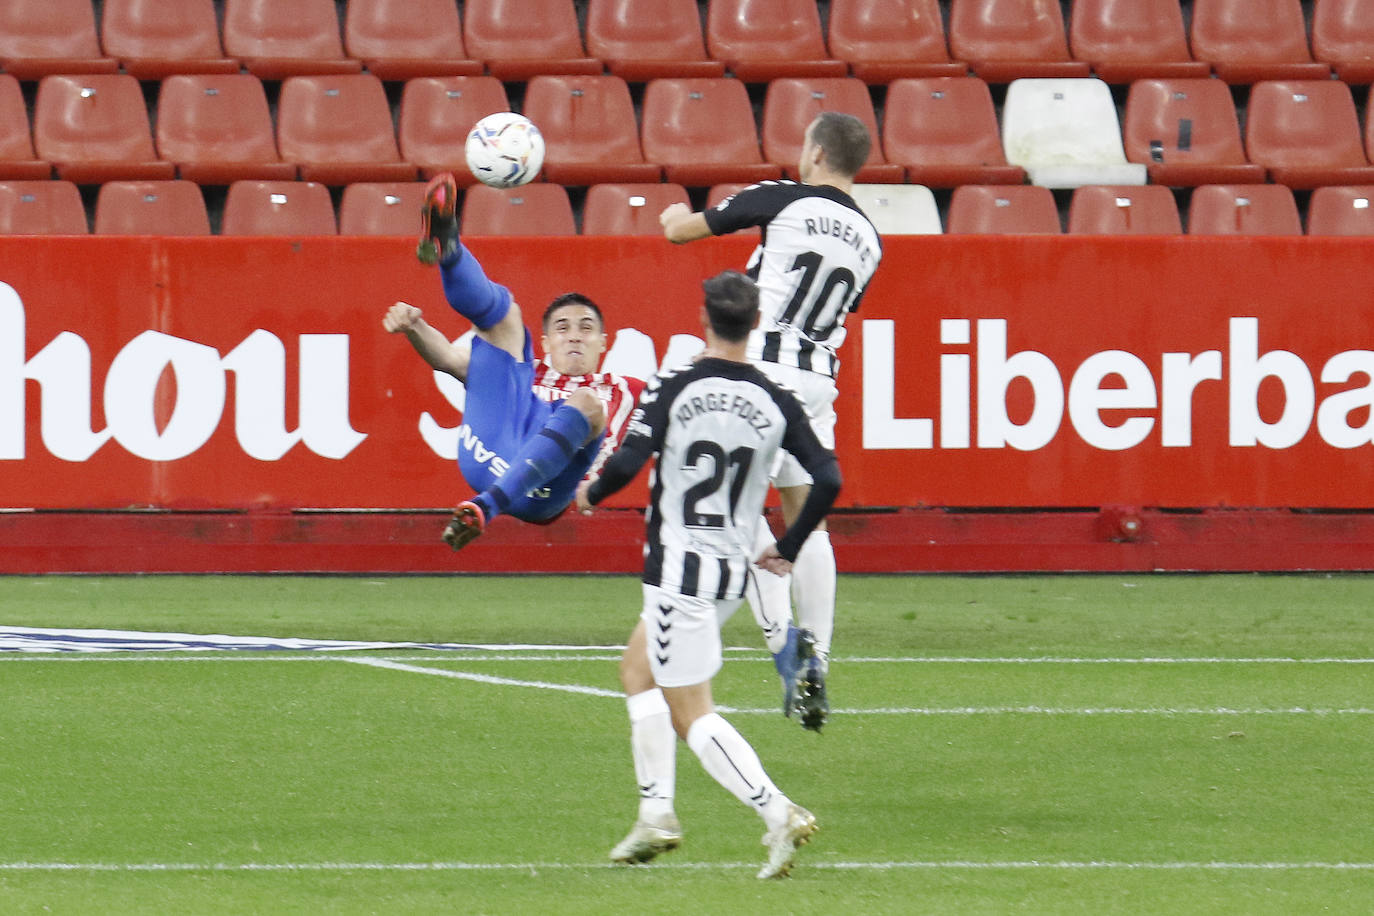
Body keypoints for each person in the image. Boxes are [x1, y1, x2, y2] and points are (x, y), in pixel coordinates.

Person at [576, 270, 842, 879]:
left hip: (677, 573)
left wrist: (592, 493)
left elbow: (628, 460)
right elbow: (826, 477)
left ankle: (777, 812)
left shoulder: (673, 384)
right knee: (636, 668)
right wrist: (791, 545)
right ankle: (655, 812)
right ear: (755, 325)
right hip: (729, 572)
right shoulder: (776, 396)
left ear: (704, 319)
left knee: (691, 711)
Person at [658, 111, 884, 731]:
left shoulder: (783, 198)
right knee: (808, 521)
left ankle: (786, 644)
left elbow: (683, 233)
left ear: (813, 152)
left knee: (731, 511)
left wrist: (668, 218)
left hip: (758, 373)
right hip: (816, 381)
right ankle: (821, 656)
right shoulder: (871, 240)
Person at [384, 173, 643, 548]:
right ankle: (449, 248)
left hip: (544, 490)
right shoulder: (527, 375)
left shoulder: (627, 390)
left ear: (604, 343)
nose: (574, 335)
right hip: (491, 451)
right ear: (546, 342)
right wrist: (415, 327)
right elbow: (448, 361)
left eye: (586, 328)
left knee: (588, 405)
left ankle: (485, 507)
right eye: (563, 328)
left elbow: (683, 407)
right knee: (507, 319)